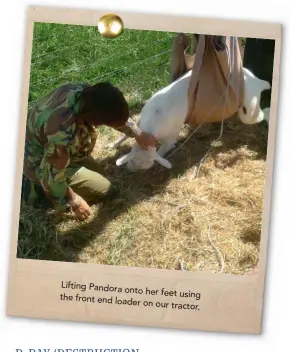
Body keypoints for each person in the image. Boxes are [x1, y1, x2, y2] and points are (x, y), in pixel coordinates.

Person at [22, 81, 157, 221]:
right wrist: (73, 201)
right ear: (96, 121)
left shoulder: (86, 93)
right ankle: (35, 192)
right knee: (107, 190)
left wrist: (138, 134)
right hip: (38, 164)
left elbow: (113, 114)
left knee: (99, 175)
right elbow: (51, 173)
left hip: (54, 150)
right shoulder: (61, 132)